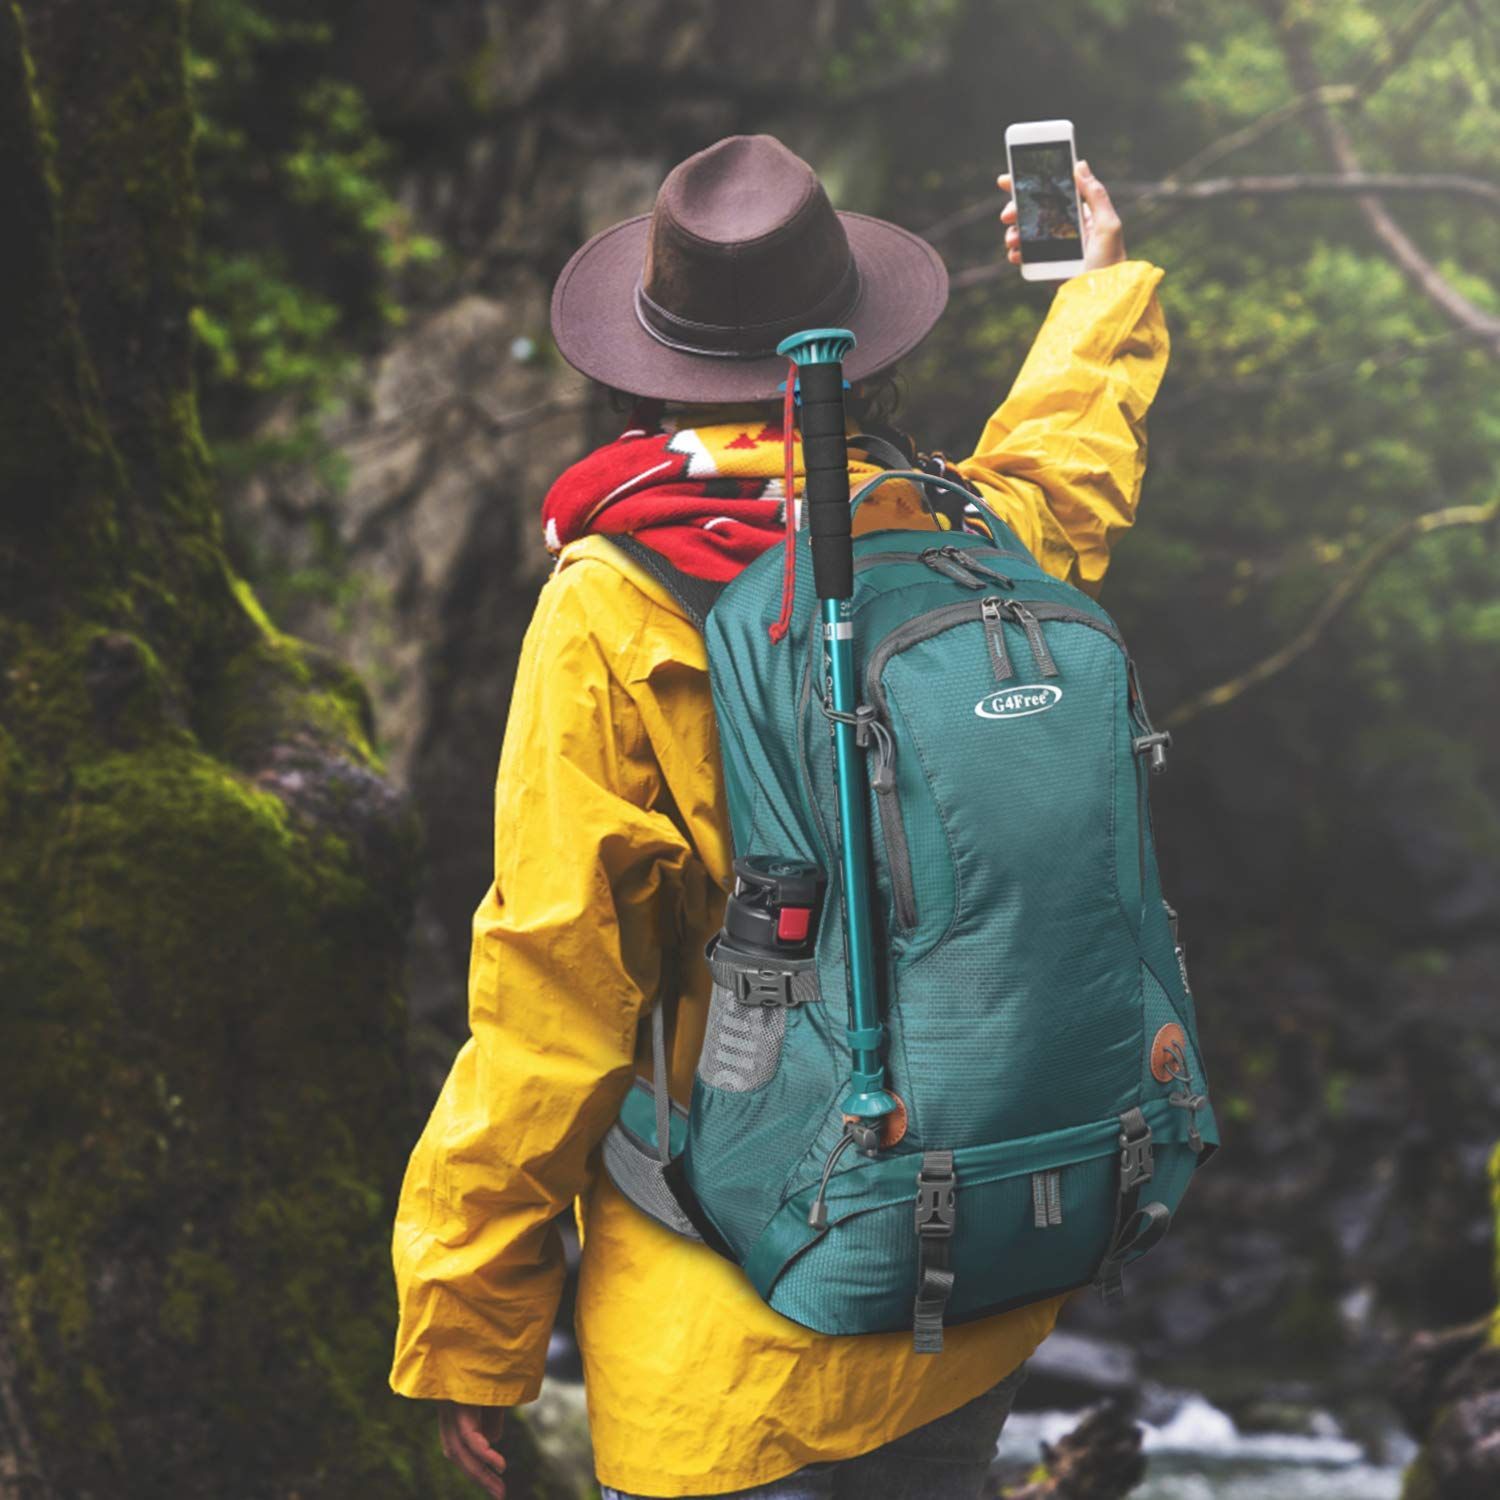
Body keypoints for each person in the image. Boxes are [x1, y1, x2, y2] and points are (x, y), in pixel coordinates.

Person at [390, 133, 1169, 1499]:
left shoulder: (615, 597)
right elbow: (1068, 475)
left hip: (731, 1322)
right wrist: (1092, 290)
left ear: (656, 362)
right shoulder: (961, 532)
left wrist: (472, 1329)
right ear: (863, 343)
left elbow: (550, 986)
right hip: (963, 1267)